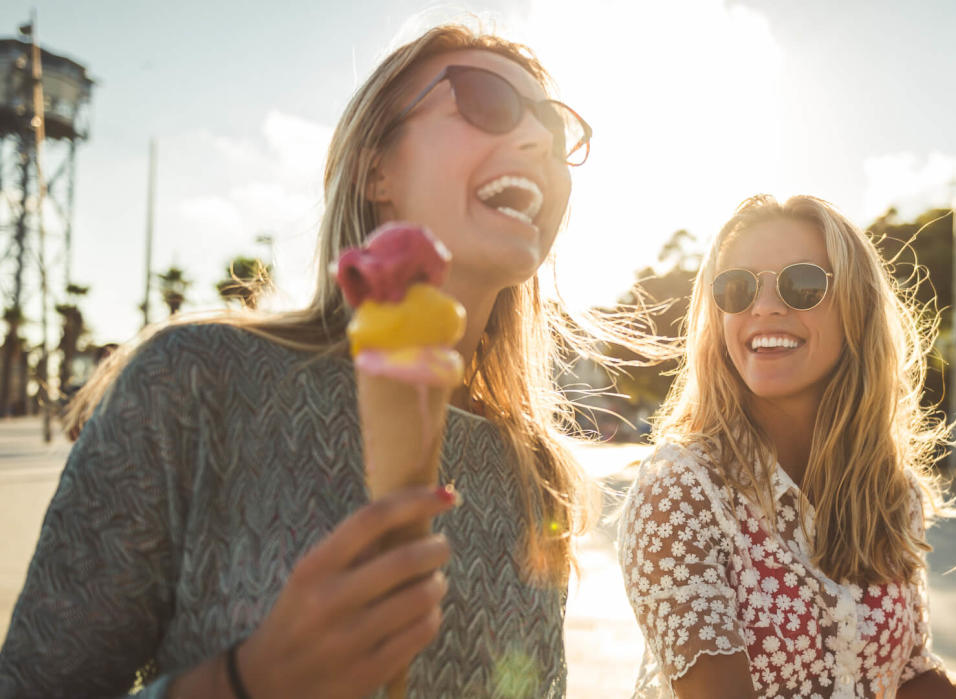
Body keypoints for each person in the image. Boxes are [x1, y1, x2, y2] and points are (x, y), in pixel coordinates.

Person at [0, 24, 603, 698]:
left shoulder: (535, 466)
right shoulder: (195, 380)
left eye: (554, 123)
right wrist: (246, 680)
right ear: (377, 168)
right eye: (486, 100)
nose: (540, 138)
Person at [617, 195, 956, 698]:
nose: (765, 306)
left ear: (856, 310)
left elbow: (903, 681)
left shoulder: (891, 490)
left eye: (803, 283)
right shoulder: (680, 489)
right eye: (736, 288)